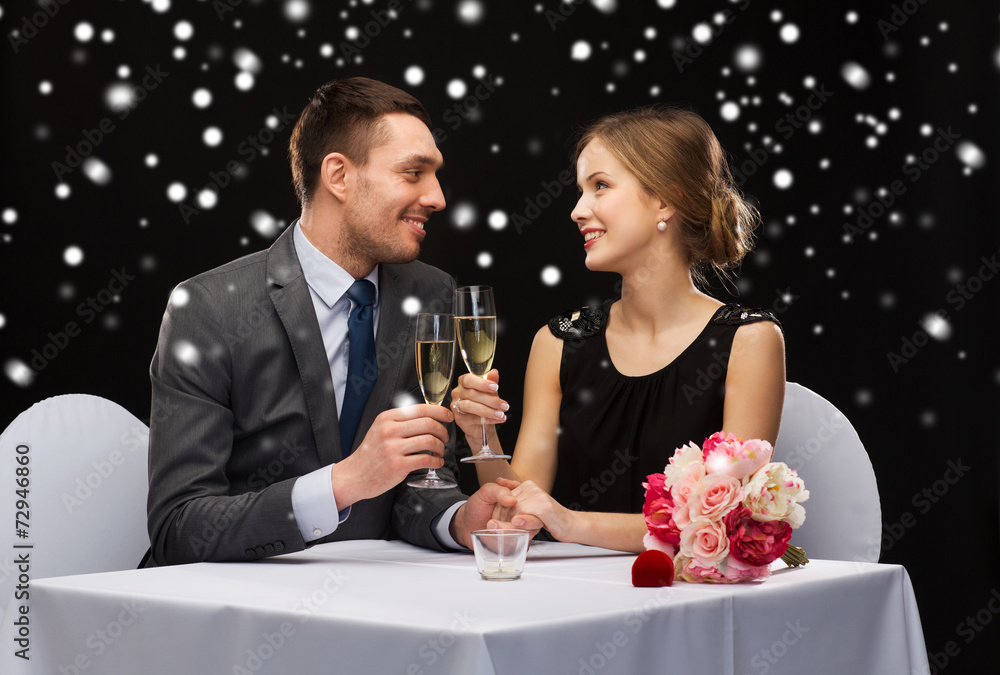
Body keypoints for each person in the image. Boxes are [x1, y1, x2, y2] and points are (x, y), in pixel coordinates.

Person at [146, 77, 522, 566]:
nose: (437, 197)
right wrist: (344, 483)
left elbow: (421, 482)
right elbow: (179, 528)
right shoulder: (208, 308)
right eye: (414, 173)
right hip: (234, 614)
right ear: (339, 176)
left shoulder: (433, 293)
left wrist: (455, 520)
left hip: (376, 606)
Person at [452, 106, 786, 552]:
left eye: (600, 186)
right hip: (572, 599)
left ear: (665, 200)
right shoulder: (558, 343)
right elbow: (518, 513)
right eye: (580, 190)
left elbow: (721, 525)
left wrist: (570, 522)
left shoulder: (750, 340)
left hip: (686, 605)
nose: (576, 210)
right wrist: (483, 436)